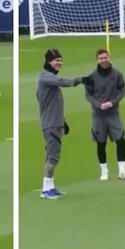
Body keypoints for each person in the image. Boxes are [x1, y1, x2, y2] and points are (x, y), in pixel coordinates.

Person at [37, 48, 86, 199]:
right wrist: (80, 80)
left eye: (60, 60)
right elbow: (62, 82)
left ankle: (50, 187)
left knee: (51, 156)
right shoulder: (46, 77)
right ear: (48, 61)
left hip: (55, 122)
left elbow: (55, 104)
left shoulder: (48, 77)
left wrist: (63, 121)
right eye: (57, 60)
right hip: (51, 124)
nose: (60, 63)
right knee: (53, 157)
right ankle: (46, 190)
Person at [84, 49, 125, 181]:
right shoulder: (92, 77)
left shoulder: (117, 74)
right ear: (97, 60)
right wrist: (99, 105)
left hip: (113, 113)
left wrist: (112, 103)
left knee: (121, 140)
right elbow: (88, 95)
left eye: (105, 57)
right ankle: (104, 171)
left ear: (109, 57)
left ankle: (122, 171)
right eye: (101, 58)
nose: (104, 60)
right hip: (98, 115)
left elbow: (122, 91)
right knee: (101, 142)